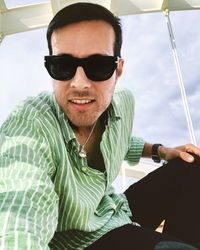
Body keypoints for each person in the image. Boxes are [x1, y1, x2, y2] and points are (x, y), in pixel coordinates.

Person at [0, 2, 200, 250]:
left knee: (192, 164)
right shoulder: (31, 123)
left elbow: (123, 140)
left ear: (118, 70)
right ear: (49, 68)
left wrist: (160, 151)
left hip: (115, 210)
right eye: (62, 65)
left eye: (98, 66)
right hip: (79, 241)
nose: (79, 83)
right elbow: (20, 213)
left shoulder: (123, 103)